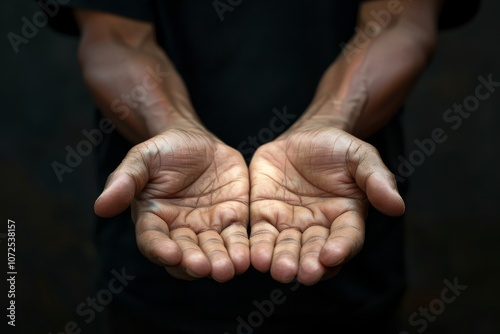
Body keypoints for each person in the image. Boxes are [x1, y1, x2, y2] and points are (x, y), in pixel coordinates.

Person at [47, 0, 479, 333]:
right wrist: (172, 127)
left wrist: (330, 120)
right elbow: (116, 36)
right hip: (163, 249)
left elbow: (397, 19)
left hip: (343, 249)